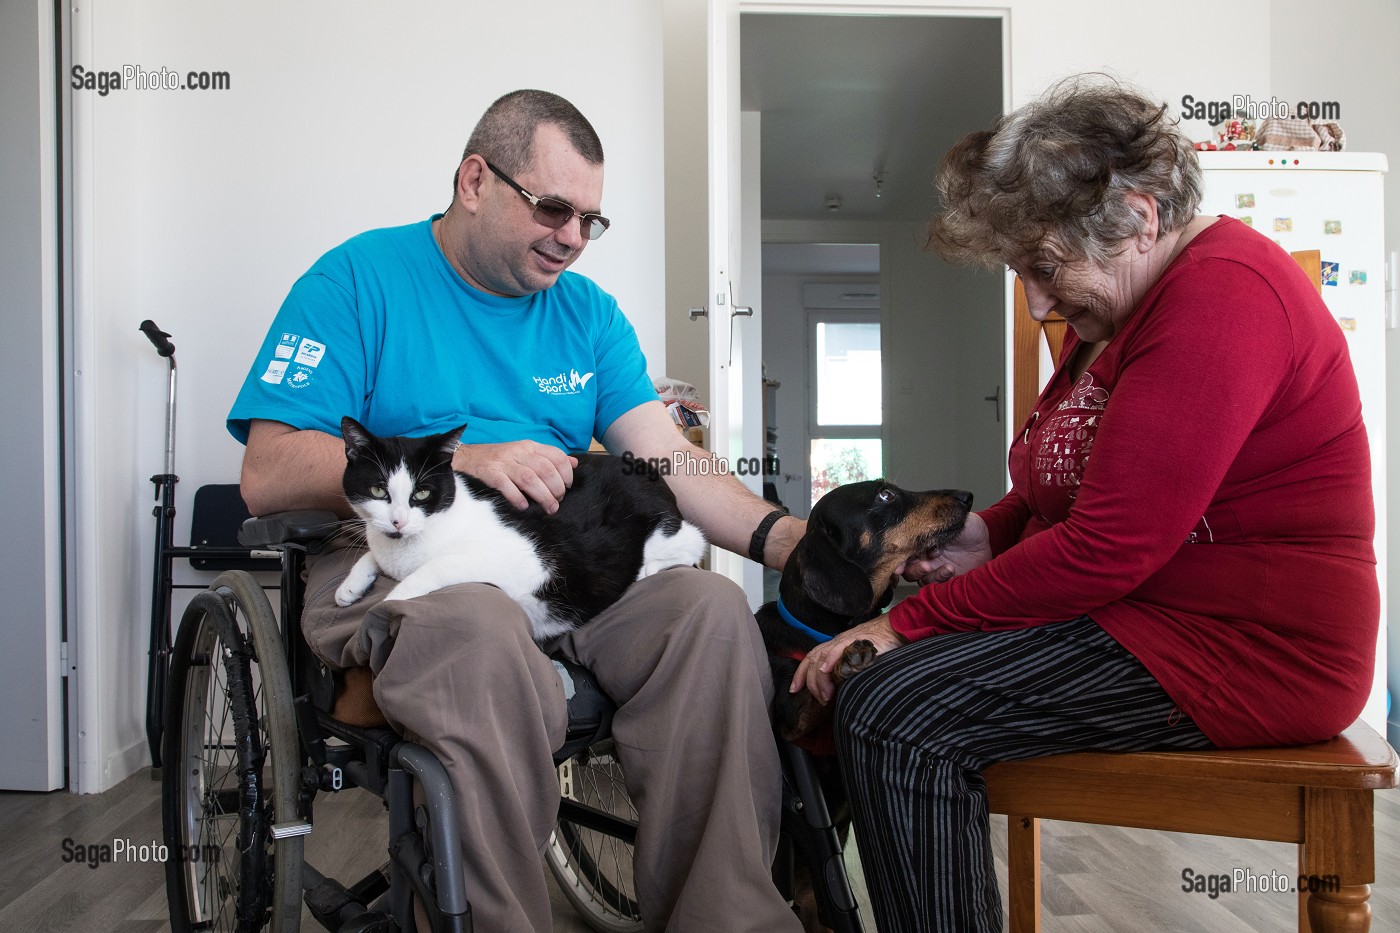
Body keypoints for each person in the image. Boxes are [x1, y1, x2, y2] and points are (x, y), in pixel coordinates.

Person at [794, 77, 1378, 933]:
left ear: (1139, 217)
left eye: (1044, 266)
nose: (1035, 301)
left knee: (897, 709)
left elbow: (1107, 546)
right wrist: (985, 538)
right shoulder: (1121, 314)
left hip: (1247, 652)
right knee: (891, 697)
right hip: (1154, 619)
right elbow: (1053, 493)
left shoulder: (1224, 297)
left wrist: (902, 625)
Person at [228, 89, 806, 933]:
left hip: (565, 563)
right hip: (413, 565)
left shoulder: (589, 316)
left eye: (591, 221)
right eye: (554, 207)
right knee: (476, 630)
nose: (573, 237)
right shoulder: (355, 280)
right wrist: (460, 460)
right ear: (475, 180)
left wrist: (778, 534)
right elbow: (267, 471)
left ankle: (728, 919)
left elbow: (669, 458)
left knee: (712, 612)